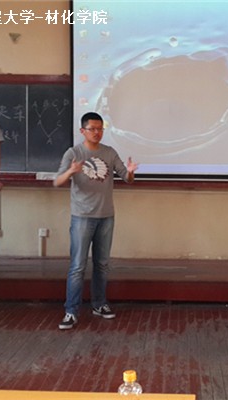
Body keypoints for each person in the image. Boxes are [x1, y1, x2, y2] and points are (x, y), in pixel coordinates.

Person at [55, 112, 138, 330]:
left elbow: (127, 178)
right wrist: (71, 171)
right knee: (77, 266)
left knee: (102, 264)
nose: (97, 133)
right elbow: (57, 181)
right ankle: (71, 311)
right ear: (82, 131)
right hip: (82, 217)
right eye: (92, 129)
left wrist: (130, 172)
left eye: (100, 129)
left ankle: (99, 304)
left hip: (106, 216)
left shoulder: (109, 152)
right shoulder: (74, 153)